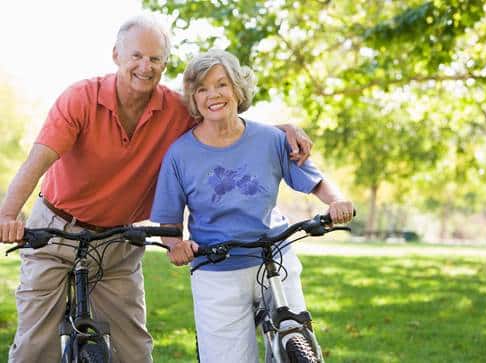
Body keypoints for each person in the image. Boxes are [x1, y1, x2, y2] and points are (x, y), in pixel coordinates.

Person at [0, 16, 312, 363]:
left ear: (165, 64)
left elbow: (226, 122)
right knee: (34, 346)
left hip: (118, 241)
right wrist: (8, 215)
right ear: (117, 55)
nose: (145, 67)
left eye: (155, 59)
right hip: (55, 231)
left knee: (133, 350)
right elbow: (37, 161)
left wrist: (280, 131)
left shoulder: (175, 110)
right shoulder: (80, 99)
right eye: (136, 56)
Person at [150, 49, 354, 363]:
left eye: (221, 84)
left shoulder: (271, 139)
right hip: (216, 267)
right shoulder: (179, 155)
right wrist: (175, 245)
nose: (213, 95)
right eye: (202, 89)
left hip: (275, 257)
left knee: (299, 342)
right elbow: (168, 223)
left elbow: (314, 181)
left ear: (237, 89)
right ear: (193, 99)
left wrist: (337, 201)